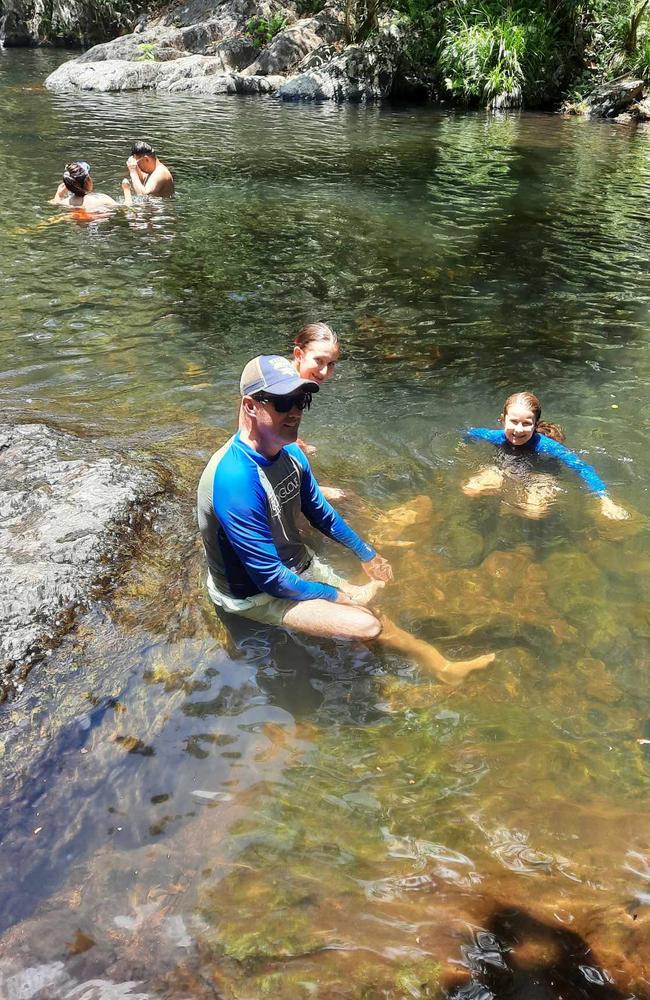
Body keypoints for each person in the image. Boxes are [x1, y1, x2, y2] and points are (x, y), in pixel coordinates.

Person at [198, 355, 494, 684]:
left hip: (296, 566)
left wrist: (366, 553)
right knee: (366, 623)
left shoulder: (291, 453)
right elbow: (270, 579)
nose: (295, 411)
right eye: (283, 402)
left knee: (372, 612)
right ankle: (423, 664)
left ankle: (442, 667)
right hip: (254, 595)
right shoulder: (234, 478)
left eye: (302, 400)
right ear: (250, 405)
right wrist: (341, 596)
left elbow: (320, 512)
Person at [462, 391, 630, 520]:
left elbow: (582, 467)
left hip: (537, 475)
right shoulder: (494, 436)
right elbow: (470, 433)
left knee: (534, 512)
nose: (518, 429)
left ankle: (506, 508)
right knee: (470, 489)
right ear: (503, 420)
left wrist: (604, 499)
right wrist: (463, 446)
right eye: (513, 421)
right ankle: (505, 502)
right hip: (505, 469)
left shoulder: (547, 446)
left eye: (526, 424)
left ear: (535, 426)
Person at [49, 161, 132, 212]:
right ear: (88, 182)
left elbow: (53, 203)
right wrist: (126, 189)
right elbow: (126, 207)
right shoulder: (102, 199)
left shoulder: (65, 203)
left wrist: (59, 195)